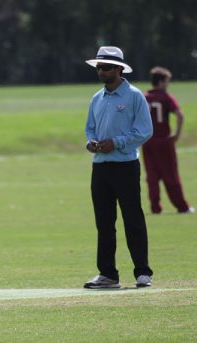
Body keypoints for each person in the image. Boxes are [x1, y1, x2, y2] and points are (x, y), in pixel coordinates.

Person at [83, 46, 154, 289]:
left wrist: (116, 143)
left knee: (133, 218)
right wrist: (91, 143)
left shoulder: (134, 96)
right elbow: (90, 128)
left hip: (125, 166)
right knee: (104, 222)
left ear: (119, 69)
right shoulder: (96, 98)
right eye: (99, 68)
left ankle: (143, 272)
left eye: (106, 68)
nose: (101, 71)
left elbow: (144, 131)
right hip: (100, 168)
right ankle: (108, 274)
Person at [143, 66, 194, 214]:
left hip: (147, 142)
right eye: (167, 81)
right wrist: (177, 134)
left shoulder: (144, 97)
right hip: (164, 141)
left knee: (152, 176)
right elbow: (180, 114)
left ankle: (155, 207)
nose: (167, 84)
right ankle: (182, 207)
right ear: (161, 82)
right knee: (170, 175)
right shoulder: (165, 97)